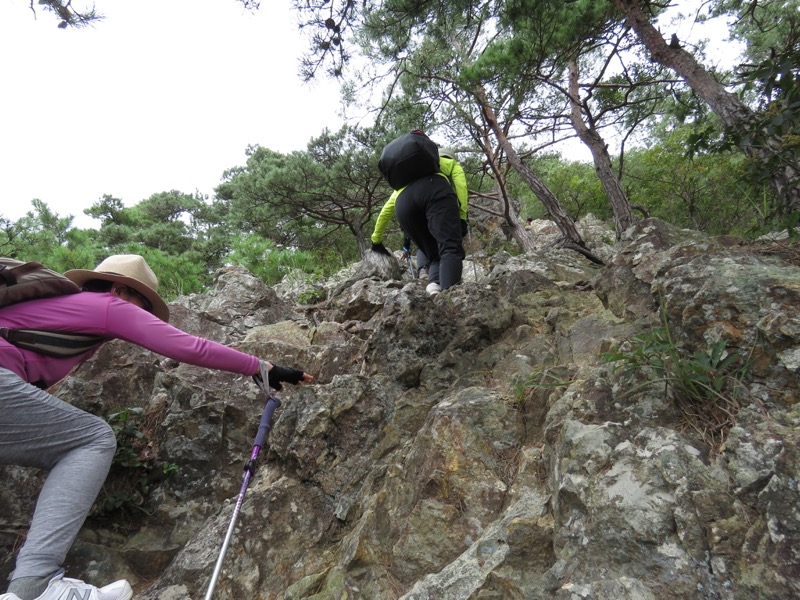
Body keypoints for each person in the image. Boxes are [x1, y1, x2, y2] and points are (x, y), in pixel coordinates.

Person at [0, 254, 313, 600]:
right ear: (120, 290)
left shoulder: (59, 312)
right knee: (90, 440)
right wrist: (260, 366)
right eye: (142, 305)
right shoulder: (105, 305)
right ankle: (36, 585)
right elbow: (188, 346)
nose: (143, 316)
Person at [371, 140, 465, 294]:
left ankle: (434, 288)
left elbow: (386, 210)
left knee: (434, 255)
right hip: (435, 190)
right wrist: (462, 216)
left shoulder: (404, 181)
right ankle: (451, 299)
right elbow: (461, 186)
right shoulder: (447, 162)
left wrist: (376, 240)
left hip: (403, 205)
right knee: (450, 248)